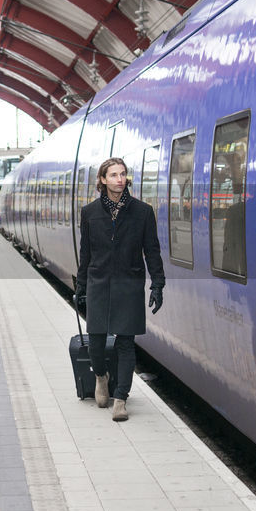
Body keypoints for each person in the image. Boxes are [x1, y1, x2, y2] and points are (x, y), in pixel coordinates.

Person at [75, 157, 165, 421]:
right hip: (99, 283)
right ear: (103, 180)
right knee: (97, 342)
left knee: (126, 343)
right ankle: (101, 377)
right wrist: (81, 285)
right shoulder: (89, 213)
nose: (119, 179)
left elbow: (152, 251)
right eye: (113, 175)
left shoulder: (142, 211)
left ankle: (121, 398)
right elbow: (86, 252)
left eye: (122, 174)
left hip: (129, 283)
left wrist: (157, 284)